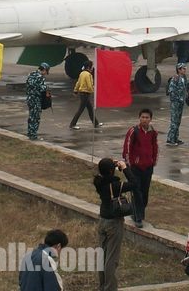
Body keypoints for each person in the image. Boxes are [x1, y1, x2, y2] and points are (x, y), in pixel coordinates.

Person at [94, 157, 136, 291]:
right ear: (112, 171)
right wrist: (124, 168)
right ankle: (110, 288)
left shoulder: (99, 182)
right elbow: (134, 183)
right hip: (114, 223)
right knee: (112, 259)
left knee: (103, 256)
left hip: (102, 221)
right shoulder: (115, 185)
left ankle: (102, 286)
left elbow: (106, 173)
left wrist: (111, 165)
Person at [122, 108, 158, 228]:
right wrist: (129, 164)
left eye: (147, 117)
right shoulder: (133, 131)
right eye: (142, 117)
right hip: (135, 168)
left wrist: (154, 161)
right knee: (136, 191)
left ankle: (135, 211)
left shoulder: (153, 132)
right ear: (139, 118)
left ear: (150, 119)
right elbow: (127, 148)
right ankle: (138, 217)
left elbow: (155, 147)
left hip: (148, 167)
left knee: (145, 192)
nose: (144, 120)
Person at [69, 60, 101, 129]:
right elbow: (89, 85)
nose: (92, 68)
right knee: (80, 110)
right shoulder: (88, 74)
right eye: (92, 66)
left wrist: (75, 90)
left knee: (90, 109)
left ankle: (96, 123)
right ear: (89, 67)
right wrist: (92, 91)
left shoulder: (82, 73)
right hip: (86, 93)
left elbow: (78, 83)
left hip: (82, 93)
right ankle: (72, 124)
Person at [25, 62, 50, 140]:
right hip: (36, 100)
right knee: (36, 118)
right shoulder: (40, 77)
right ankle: (34, 135)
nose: (46, 74)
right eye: (46, 72)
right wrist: (46, 88)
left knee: (31, 116)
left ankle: (30, 133)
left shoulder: (31, 74)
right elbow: (42, 89)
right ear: (44, 70)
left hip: (29, 98)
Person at [166, 63, 188, 146]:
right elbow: (171, 91)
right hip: (175, 102)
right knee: (174, 121)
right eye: (183, 68)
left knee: (178, 121)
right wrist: (176, 99)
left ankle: (175, 137)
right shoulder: (175, 78)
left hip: (180, 102)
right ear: (179, 69)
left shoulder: (183, 78)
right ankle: (170, 139)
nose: (185, 70)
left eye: (185, 68)